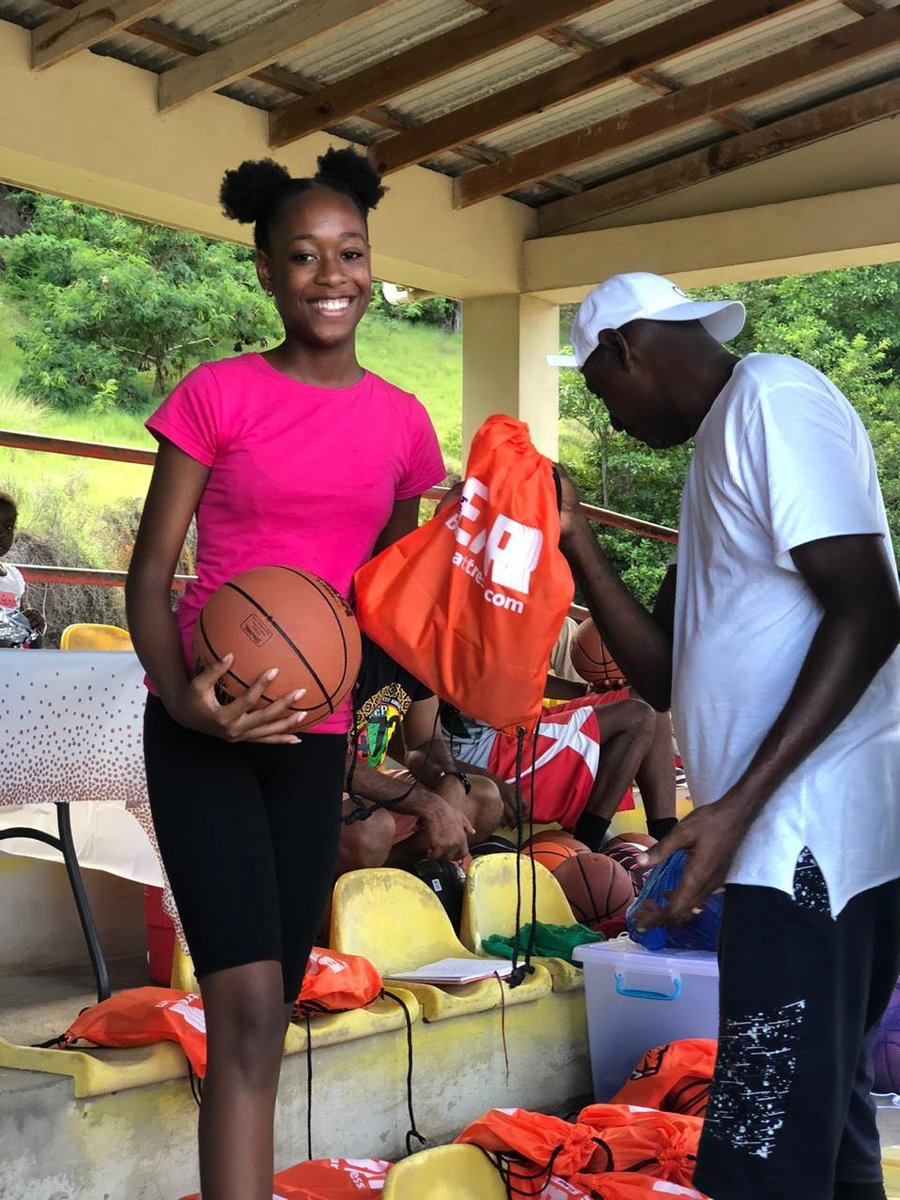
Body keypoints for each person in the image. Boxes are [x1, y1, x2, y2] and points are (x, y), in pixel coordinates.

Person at [125, 150, 446, 1200]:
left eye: (350, 254)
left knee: (283, 999)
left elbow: (394, 603)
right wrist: (183, 696)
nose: (330, 276)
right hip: (203, 735)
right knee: (247, 1004)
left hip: (313, 742)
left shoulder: (402, 425)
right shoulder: (219, 394)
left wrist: (393, 716)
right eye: (302, 256)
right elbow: (151, 570)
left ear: (372, 265)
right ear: (264, 269)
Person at [559, 270, 900, 1200]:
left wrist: (736, 807)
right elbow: (666, 672)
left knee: (758, 1140)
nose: (612, 421)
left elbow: (870, 609)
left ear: (627, 350)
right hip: (774, 843)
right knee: (823, 1131)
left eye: (599, 392)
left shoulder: (774, 400)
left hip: (805, 843)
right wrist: (577, 543)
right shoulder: (718, 453)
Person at [441, 661, 672, 850]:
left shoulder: (501, 618)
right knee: (636, 716)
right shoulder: (443, 632)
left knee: (649, 698)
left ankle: (667, 844)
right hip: (484, 754)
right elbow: (418, 747)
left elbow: (510, 676)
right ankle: (586, 844)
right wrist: (489, 779)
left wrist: (581, 690)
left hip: (511, 726)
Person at [338, 636, 503, 874]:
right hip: (321, 789)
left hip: (371, 786)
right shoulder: (349, 645)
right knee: (372, 829)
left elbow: (424, 743)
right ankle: (347, 885)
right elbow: (331, 763)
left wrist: (449, 777)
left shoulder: (418, 653)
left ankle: (394, 874)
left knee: (482, 797)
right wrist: (429, 805)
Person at [0, 490, 46, 646]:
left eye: (8, 527)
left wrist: (35, 621)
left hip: (13, 665)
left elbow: (19, 618)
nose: (1, 534)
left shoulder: (13, 577)